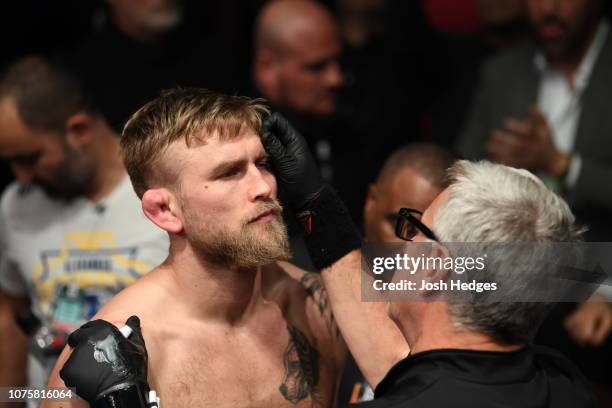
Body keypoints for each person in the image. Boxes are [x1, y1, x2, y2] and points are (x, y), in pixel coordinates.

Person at [45, 89, 349, 408]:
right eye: (229, 173)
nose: (263, 187)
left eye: (262, 163)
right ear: (165, 210)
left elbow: (401, 363)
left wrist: (321, 205)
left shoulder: (313, 302)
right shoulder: (115, 353)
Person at [457, 0, 612, 381]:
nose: (550, 9)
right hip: (514, 278)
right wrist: (500, 170)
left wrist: (560, 164)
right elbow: (459, 171)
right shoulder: (502, 72)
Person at [0, 56, 168, 398]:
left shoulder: (162, 189)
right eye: (12, 161)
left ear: (79, 131)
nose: (21, 176)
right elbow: (10, 313)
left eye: (30, 159)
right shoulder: (16, 204)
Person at [339, 143, 455, 405]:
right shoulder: (310, 292)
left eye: (430, 235)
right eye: (397, 224)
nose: (411, 249)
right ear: (370, 203)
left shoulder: (462, 334)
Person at [252, 0, 370, 224]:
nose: (336, 78)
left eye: (337, 61)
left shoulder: (347, 129)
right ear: (267, 67)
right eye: (316, 67)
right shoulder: (240, 144)